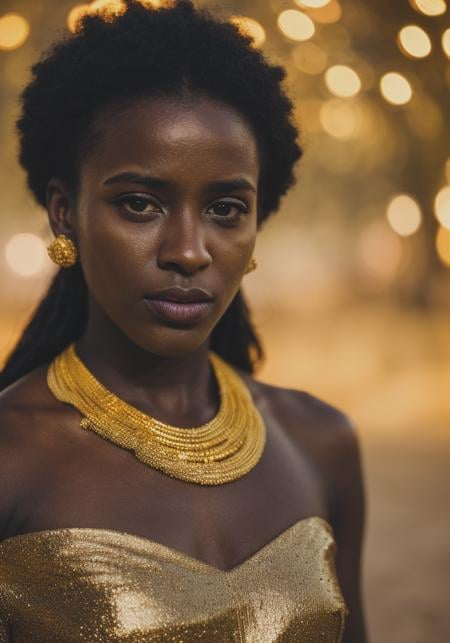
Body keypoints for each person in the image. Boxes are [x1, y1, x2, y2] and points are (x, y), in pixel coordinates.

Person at [0, 0, 368, 641]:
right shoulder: (11, 457)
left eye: (227, 208)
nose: (189, 250)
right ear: (65, 213)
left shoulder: (320, 442)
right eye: (140, 204)